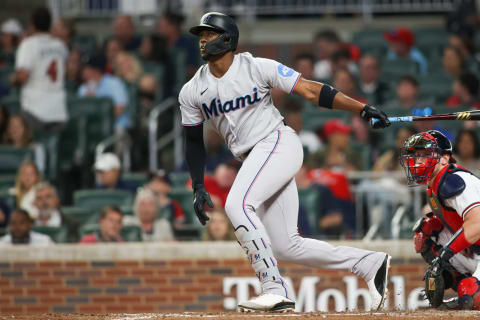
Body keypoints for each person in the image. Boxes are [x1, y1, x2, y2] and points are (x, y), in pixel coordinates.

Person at [180, 12, 391, 312]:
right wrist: (198, 185)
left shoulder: (255, 67)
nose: (202, 40)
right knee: (285, 245)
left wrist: (360, 108)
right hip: (254, 159)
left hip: (278, 143)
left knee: (236, 204)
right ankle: (370, 264)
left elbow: (311, 90)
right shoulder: (191, 90)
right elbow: (192, 140)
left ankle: (273, 288)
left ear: (228, 39)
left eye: (209, 34)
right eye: (200, 35)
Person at [400, 130, 480, 309]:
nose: (418, 160)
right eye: (416, 155)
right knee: (426, 231)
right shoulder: (435, 184)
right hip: (477, 249)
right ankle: (464, 289)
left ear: (445, 158)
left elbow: (477, 223)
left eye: (426, 154)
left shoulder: (452, 180)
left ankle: (469, 292)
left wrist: (445, 254)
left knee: (472, 296)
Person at [10, 7, 68, 133]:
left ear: (32, 24)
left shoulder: (28, 44)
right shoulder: (60, 45)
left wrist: (13, 79)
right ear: (50, 24)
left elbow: (23, 76)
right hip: (58, 111)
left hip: (35, 110)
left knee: (32, 148)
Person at [78, 52, 132, 142]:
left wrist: (100, 124)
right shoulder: (83, 88)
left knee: (117, 133)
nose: (82, 72)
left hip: (116, 126)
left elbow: (120, 108)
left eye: (86, 68)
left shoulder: (114, 83)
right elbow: (78, 112)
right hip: (90, 130)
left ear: (95, 70)